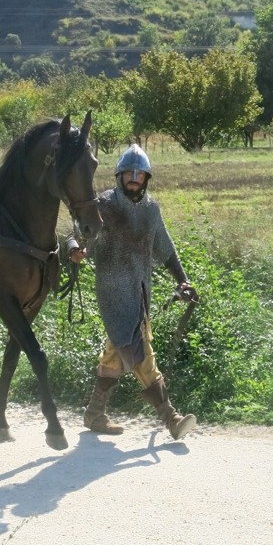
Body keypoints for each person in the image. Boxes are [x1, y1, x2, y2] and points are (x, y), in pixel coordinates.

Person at [67, 143, 198, 440]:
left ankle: (94, 413)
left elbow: (166, 249)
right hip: (113, 294)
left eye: (140, 174)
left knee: (115, 353)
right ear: (120, 175)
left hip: (139, 292)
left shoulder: (151, 210)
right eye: (130, 173)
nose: (135, 178)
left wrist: (183, 280)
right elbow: (75, 235)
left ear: (147, 178)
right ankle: (171, 417)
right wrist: (75, 249)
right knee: (140, 351)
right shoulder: (104, 206)